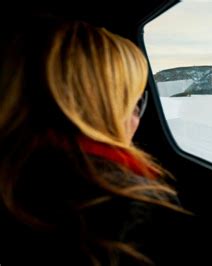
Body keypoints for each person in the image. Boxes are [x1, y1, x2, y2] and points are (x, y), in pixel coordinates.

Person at [0, 17, 190, 265]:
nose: (137, 117)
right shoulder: (137, 206)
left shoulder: (12, 168)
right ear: (105, 107)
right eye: (135, 103)